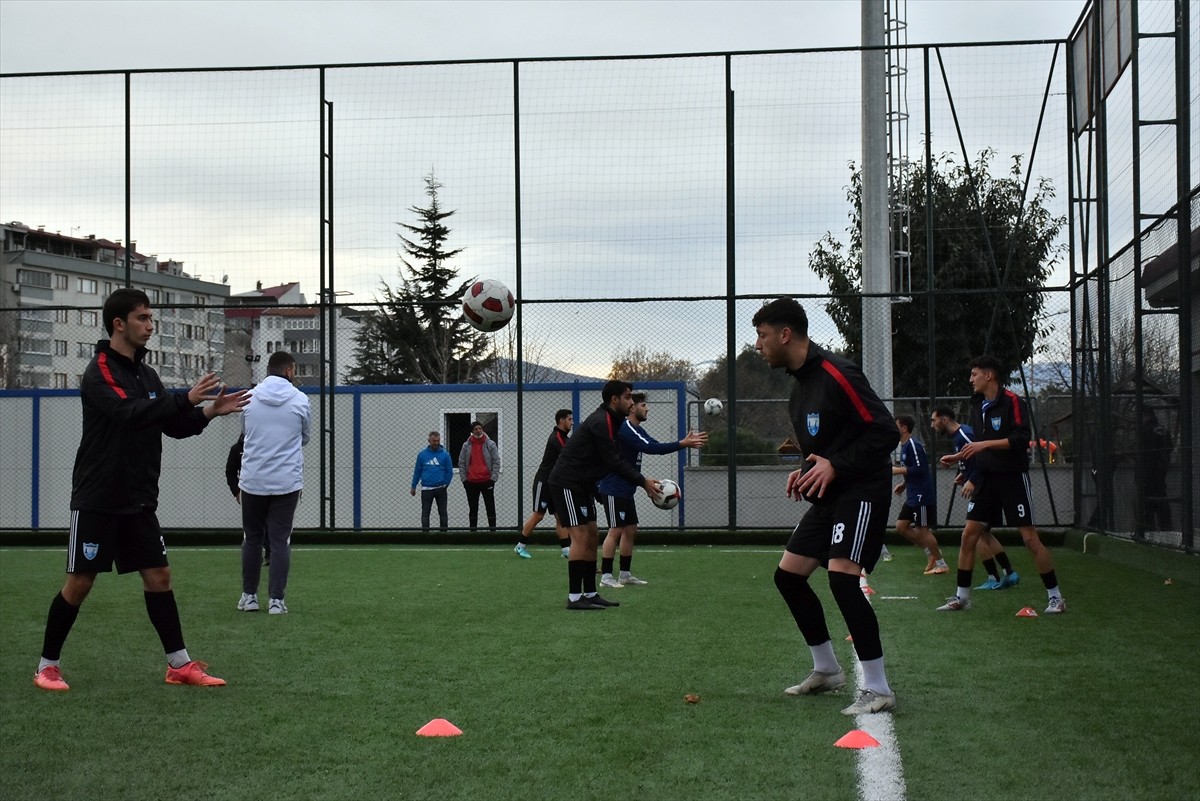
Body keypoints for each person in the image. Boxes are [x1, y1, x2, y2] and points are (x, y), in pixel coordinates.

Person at [33, 288, 249, 692]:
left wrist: (206, 411)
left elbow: (170, 423)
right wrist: (183, 398)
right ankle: (47, 666)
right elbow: (128, 413)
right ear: (119, 324)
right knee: (79, 583)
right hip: (98, 497)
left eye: (151, 320)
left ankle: (179, 665)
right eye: (143, 319)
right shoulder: (99, 370)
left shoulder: (147, 375)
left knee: (159, 576)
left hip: (139, 500)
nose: (150, 326)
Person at [753, 297, 899, 716]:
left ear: (785, 334)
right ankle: (827, 670)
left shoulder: (839, 373)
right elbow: (822, 449)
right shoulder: (798, 393)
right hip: (831, 499)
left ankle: (878, 688)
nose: (759, 345)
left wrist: (836, 466)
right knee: (789, 577)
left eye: (763, 335)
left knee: (841, 580)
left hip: (863, 491)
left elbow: (884, 432)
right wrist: (805, 471)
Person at [936, 356, 1066, 614]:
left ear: (989, 375)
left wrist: (983, 446)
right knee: (969, 535)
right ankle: (961, 597)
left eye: (974, 374)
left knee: (1029, 538)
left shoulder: (1014, 402)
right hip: (986, 479)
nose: (971, 379)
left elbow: (1020, 439)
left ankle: (1056, 598)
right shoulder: (977, 406)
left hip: (1012, 478)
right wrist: (961, 459)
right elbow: (979, 446)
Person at [549, 380, 660, 610]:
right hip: (567, 482)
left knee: (591, 534)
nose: (632, 402)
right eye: (628, 397)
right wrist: (643, 482)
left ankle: (590, 593)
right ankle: (574, 598)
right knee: (580, 536)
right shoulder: (602, 421)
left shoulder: (614, 420)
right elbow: (613, 461)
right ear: (614, 400)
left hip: (584, 485)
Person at [597, 392, 707, 587]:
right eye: (643, 405)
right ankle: (606, 576)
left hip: (626, 487)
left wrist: (682, 442)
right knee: (616, 530)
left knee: (630, 530)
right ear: (633, 408)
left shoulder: (636, 428)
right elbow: (650, 448)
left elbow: (654, 444)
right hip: (613, 487)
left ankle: (625, 574)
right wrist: (683, 444)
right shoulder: (626, 428)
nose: (647, 409)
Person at [237, 350, 310, 616]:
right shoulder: (300, 399)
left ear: (268, 369)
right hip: (287, 481)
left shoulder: (249, 398)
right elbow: (305, 437)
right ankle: (276, 601)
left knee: (252, 539)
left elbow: (245, 433)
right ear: (290, 370)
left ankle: (249, 597)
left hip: (253, 479)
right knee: (280, 541)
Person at [930, 405, 1019, 589]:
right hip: (985, 486)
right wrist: (964, 474)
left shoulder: (964, 434)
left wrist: (972, 479)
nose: (932, 424)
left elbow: (984, 455)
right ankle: (1009, 573)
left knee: (973, 534)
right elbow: (971, 457)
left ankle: (994, 578)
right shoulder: (959, 436)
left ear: (944, 419)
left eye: (934, 420)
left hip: (985, 487)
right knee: (983, 534)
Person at [891, 415, 948, 575]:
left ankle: (941, 564)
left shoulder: (913, 445)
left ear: (903, 428)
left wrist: (897, 471)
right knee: (901, 527)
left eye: (896, 426)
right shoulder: (904, 446)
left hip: (921, 494)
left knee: (923, 529)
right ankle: (930, 553)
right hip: (913, 493)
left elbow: (921, 469)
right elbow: (913, 470)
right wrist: (904, 484)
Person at [514, 409, 573, 559]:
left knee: (560, 517)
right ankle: (520, 545)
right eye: (569, 419)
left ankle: (566, 549)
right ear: (561, 421)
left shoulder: (565, 438)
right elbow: (569, 454)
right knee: (539, 515)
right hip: (544, 482)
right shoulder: (557, 437)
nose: (572, 422)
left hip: (555, 483)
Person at [226, 432, 270, 566]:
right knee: (252, 526)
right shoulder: (236, 449)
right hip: (248, 492)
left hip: (269, 490)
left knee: (271, 523)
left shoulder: (267, 446)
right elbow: (230, 472)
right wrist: (237, 491)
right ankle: (254, 557)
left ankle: (270, 552)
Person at [458, 421, 500, 532]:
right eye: (476, 429)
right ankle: (473, 532)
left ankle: (493, 532)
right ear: (472, 431)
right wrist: (464, 480)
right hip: (471, 481)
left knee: (490, 507)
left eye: (480, 428)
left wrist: (493, 479)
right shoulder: (466, 445)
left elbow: (496, 461)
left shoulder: (490, 444)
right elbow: (461, 463)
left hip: (487, 480)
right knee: (473, 508)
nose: (478, 431)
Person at [411, 431, 454, 532]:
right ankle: (426, 535)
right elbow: (417, 471)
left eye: (437, 441)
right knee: (425, 513)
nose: (436, 443)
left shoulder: (445, 455)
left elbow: (449, 472)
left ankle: (444, 535)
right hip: (426, 488)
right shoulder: (422, 455)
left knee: (443, 513)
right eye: (434, 441)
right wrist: (413, 486)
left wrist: (445, 484)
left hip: (441, 488)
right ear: (429, 441)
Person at [1141, 408, 1173, 530]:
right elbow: (1168, 450)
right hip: (1161, 472)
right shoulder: (1163, 430)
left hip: (1148, 472)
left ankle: (1148, 529)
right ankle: (1166, 528)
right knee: (1161, 500)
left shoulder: (1145, 430)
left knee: (1147, 503)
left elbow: (1143, 454)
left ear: (1145, 416)